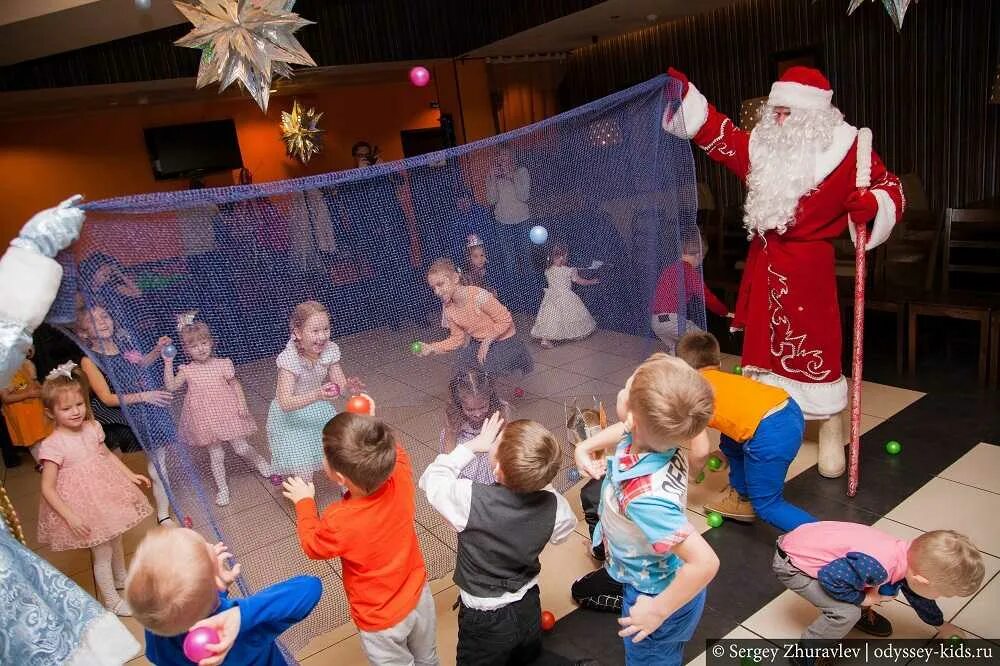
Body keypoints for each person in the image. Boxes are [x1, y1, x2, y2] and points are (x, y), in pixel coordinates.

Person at [664, 66, 904, 477]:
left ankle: (829, 429)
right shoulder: (762, 149)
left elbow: (890, 188)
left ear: (814, 116)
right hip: (765, 264)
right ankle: (765, 423)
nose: (776, 119)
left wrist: (873, 206)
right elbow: (719, 136)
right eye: (774, 110)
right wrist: (688, 100)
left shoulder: (849, 149)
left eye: (786, 112)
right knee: (763, 352)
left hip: (811, 269)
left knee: (818, 348)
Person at [574, 354, 719, 665]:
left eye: (628, 386)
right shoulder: (669, 436)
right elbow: (625, 433)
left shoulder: (647, 499)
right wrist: (584, 446)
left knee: (652, 658)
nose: (623, 389)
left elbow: (705, 563)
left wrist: (657, 610)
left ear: (632, 418)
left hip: (657, 593)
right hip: (652, 574)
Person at [282, 404, 439, 666]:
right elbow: (396, 451)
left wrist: (305, 502)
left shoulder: (339, 519)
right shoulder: (399, 477)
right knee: (429, 659)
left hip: (380, 620)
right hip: (419, 598)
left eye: (324, 456)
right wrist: (370, 427)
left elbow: (312, 545)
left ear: (340, 477)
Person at [420, 414, 577, 665]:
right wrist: (543, 486)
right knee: (526, 658)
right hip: (528, 604)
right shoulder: (555, 505)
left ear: (497, 469)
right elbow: (563, 533)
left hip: (484, 620)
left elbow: (432, 478)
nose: (492, 441)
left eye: (496, 442)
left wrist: (472, 446)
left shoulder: (469, 499)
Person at [36, 362, 153, 616]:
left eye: (79, 404)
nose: (76, 411)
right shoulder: (52, 445)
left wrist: (129, 474)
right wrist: (70, 516)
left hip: (105, 491)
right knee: (102, 552)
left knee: (117, 536)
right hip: (84, 504)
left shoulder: (93, 427)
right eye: (66, 408)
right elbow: (48, 488)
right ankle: (111, 600)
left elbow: (107, 456)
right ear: (50, 413)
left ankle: (122, 579)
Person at [677, 331, 816, 532]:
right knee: (730, 442)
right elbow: (737, 417)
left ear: (683, 372)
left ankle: (823, 537)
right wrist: (725, 452)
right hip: (789, 409)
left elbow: (699, 451)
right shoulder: (728, 378)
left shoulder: (695, 395)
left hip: (770, 430)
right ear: (718, 364)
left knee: (768, 505)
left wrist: (692, 474)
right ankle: (741, 499)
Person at [125, 526, 322, 666]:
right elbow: (310, 587)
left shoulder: (156, 625)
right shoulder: (241, 630)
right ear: (215, 579)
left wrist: (217, 591)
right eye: (206, 546)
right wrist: (240, 615)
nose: (211, 545)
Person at [774, 522, 985, 646]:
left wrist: (941, 626)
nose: (940, 597)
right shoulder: (878, 565)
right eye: (942, 593)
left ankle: (860, 604)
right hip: (792, 564)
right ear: (922, 580)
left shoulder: (910, 556)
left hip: (817, 550)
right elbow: (831, 580)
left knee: (867, 583)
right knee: (846, 612)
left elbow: (918, 596)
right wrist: (865, 598)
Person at [77, 304, 175, 526]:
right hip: (115, 417)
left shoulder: (123, 345)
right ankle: (109, 512)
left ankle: (164, 514)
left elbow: (139, 365)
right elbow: (106, 398)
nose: (102, 321)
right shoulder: (89, 359)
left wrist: (156, 351)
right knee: (111, 469)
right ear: (84, 332)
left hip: (144, 410)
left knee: (158, 465)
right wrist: (145, 396)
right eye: (94, 320)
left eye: (105, 315)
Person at [164, 312, 272, 506]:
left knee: (241, 447)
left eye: (203, 343)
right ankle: (222, 489)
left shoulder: (223, 364)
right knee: (216, 454)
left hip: (227, 411)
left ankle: (262, 463)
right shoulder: (186, 370)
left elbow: (235, 383)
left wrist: (242, 403)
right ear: (187, 350)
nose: (200, 349)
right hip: (205, 418)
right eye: (194, 346)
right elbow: (171, 386)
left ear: (211, 342)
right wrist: (168, 362)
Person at [267, 300, 360, 483]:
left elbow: (340, 385)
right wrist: (317, 394)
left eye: (326, 329)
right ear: (298, 332)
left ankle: (349, 494)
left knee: (338, 456)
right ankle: (306, 505)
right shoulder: (289, 360)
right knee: (304, 470)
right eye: (315, 331)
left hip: (318, 411)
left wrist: (349, 388)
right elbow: (285, 402)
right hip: (292, 419)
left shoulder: (330, 350)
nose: (322, 336)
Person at [417, 258, 534, 377]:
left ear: (455, 279)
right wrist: (432, 347)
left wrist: (487, 341)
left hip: (504, 340)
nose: (437, 291)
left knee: (489, 367)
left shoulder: (478, 296)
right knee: (460, 365)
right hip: (481, 341)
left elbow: (505, 319)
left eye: (440, 284)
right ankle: (485, 394)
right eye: (433, 288)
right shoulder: (448, 308)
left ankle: (519, 357)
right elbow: (457, 339)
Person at [650, 233, 730, 354]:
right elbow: (707, 297)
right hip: (673, 321)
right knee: (702, 340)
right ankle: (704, 367)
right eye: (703, 258)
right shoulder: (690, 272)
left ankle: (674, 369)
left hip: (655, 322)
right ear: (698, 255)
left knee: (677, 348)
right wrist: (723, 311)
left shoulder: (669, 269)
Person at [440, 368, 512, 484]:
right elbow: (449, 452)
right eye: (470, 409)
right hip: (464, 458)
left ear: (490, 398)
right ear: (459, 404)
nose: (478, 414)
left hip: (489, 458)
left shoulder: (500, 409)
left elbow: (506, 442)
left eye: (483, 407)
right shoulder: (453, 414)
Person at [531, 243, 599, 349]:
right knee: (568, 316)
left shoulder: (547, 271)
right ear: (563, 256)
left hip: (551, 296)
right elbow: (579, 281)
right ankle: (568, 334)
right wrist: (591, 281)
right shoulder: (569, 270)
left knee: (551, 317)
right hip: (566, 296)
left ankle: (545, 338)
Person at [1, 346, 52, 457]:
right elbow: (5, 398)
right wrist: (28, 394)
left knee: (48, 438)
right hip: (22, 416)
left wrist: (43, 389)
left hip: (37, 410)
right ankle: (42, 464)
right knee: (35, 444)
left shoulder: (25, 365)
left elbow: (35, 383)